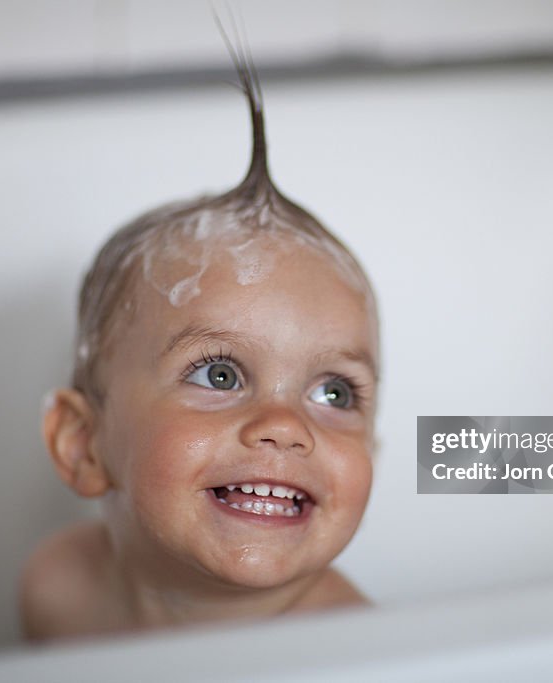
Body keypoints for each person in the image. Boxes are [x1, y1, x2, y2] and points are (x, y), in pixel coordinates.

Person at [19, 43, 380, 642]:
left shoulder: (355, 649)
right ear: (84, 444)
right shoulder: (59, 590)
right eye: (221, 375)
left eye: (336, 392)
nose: (286, 425)